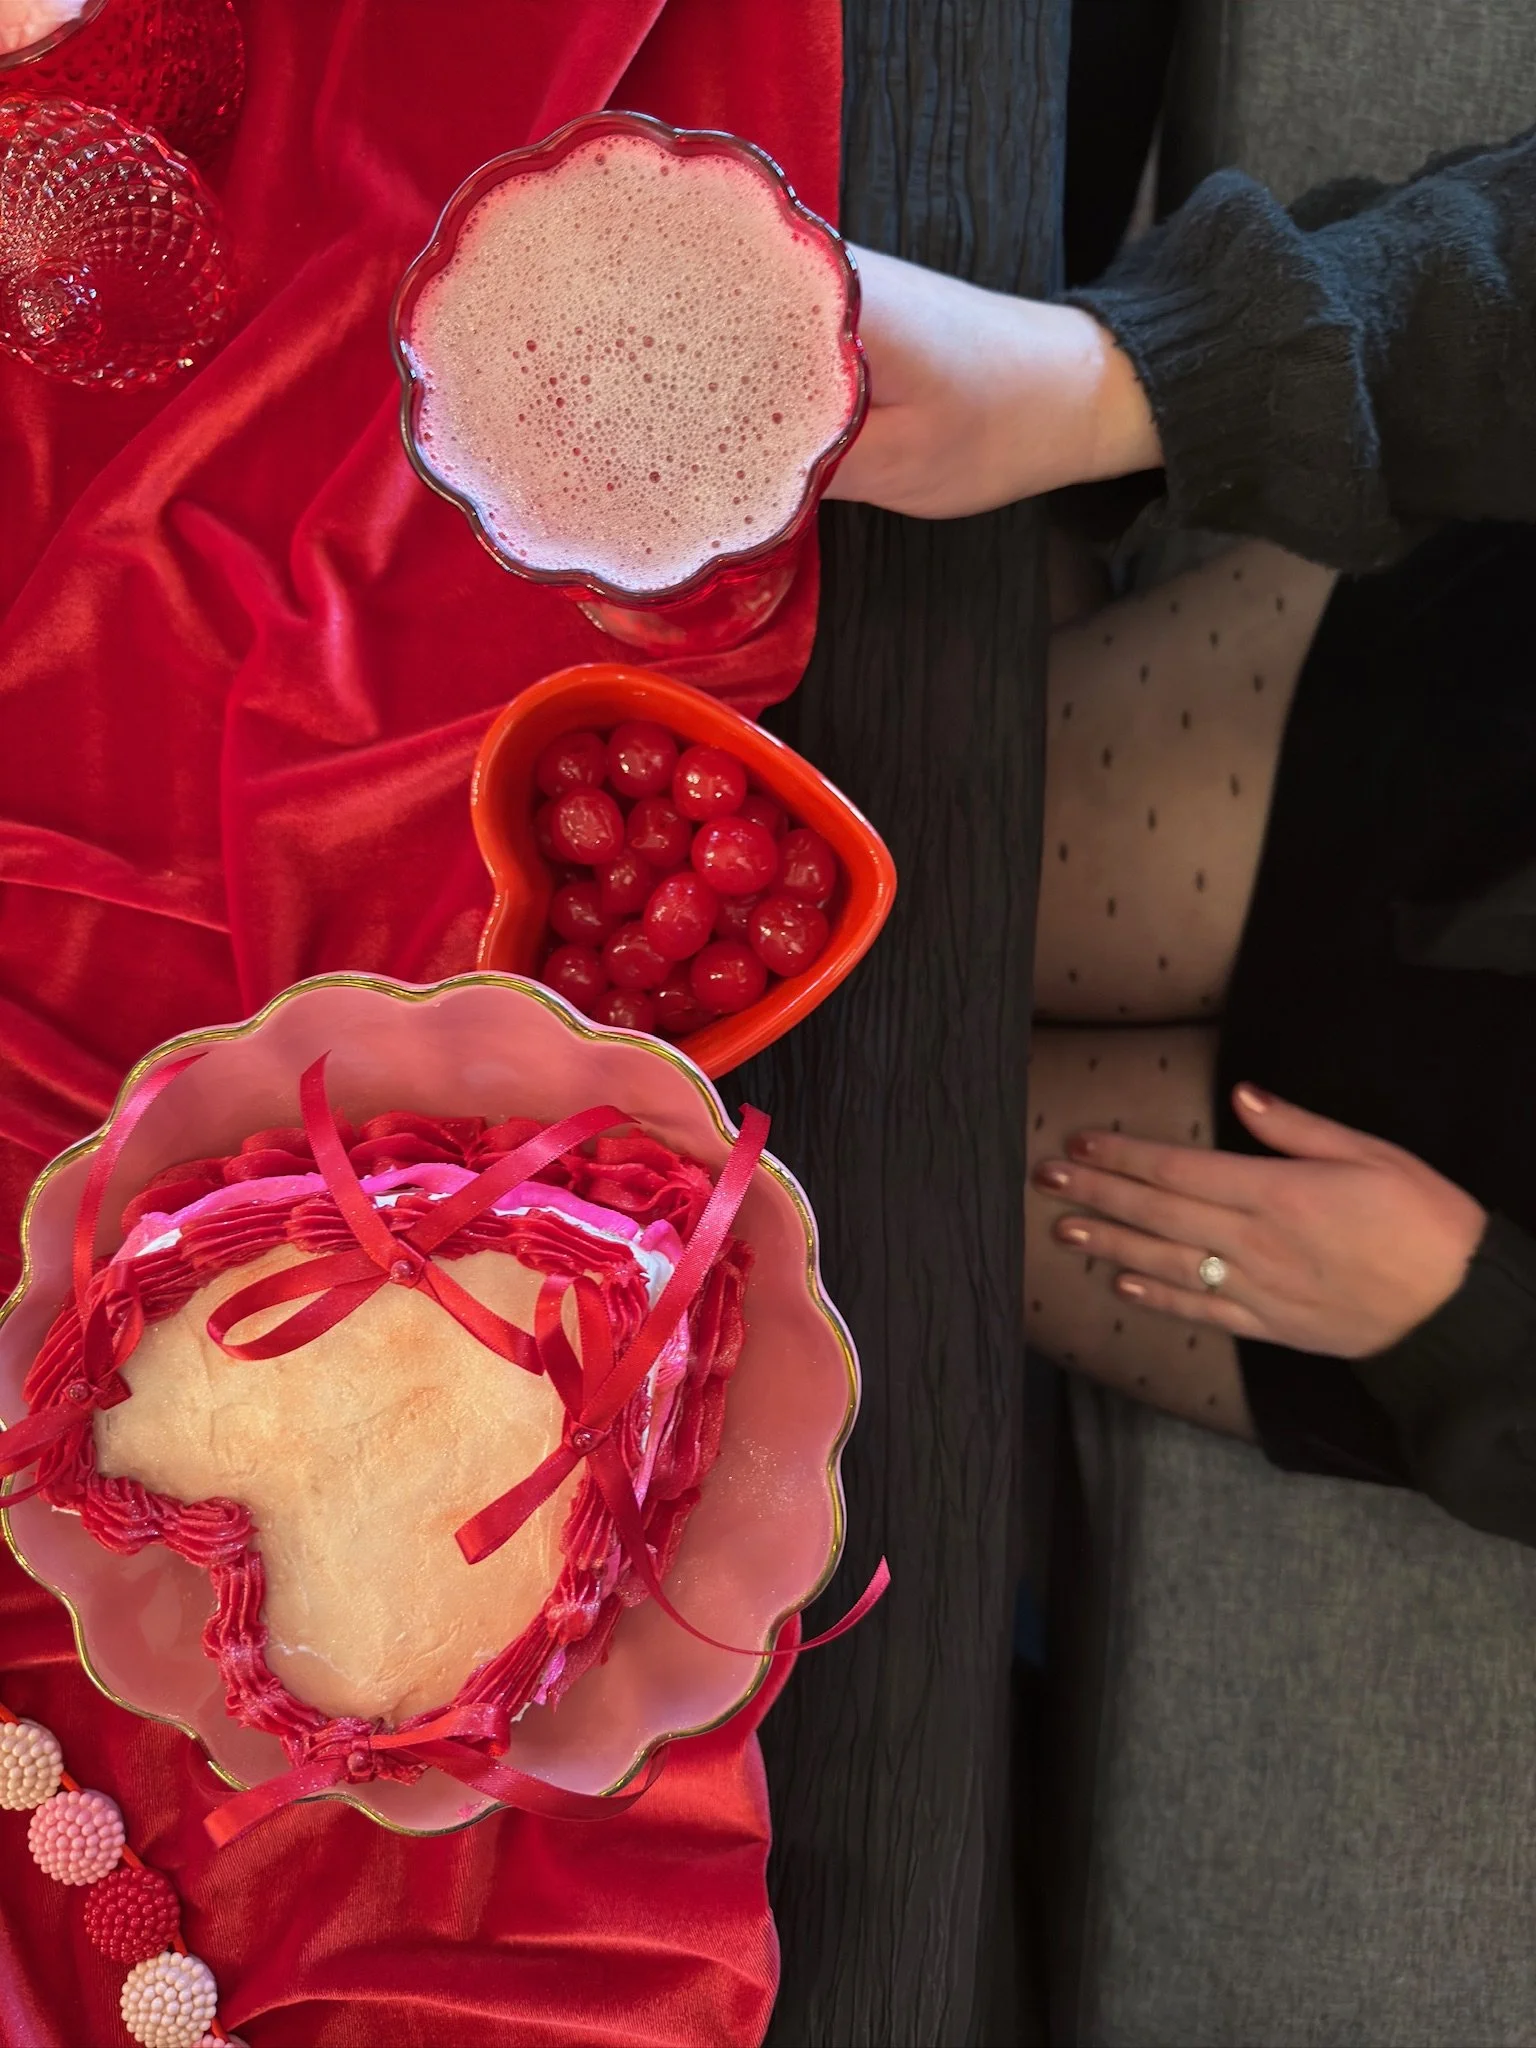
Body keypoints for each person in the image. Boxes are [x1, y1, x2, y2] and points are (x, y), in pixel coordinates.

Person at [825, 121, 1536, 1545]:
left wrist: (1473, 1329)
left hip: (1465, 1248)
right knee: (810, 821)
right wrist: (1124, 384)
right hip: (1483, 758)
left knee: (793, 1161)